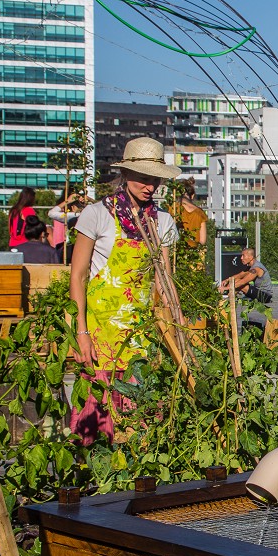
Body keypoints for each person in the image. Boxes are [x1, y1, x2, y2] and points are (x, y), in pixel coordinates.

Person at [68, 138, 180, 443]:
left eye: (154, 179)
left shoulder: (163, 222)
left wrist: (174, 330)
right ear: (126, 174)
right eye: (143, 177)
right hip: (101, 334)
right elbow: (77, 277)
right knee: (96, 420)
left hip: (141, 334)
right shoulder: (97, 215)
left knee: (140, 422)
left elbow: (164, 280)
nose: (149, 186)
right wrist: (81, 333)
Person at [171, 177, 209, 249]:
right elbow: (202, 241)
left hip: (176, 251)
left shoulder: (173, 209)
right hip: (194, 254)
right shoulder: (200, 213)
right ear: (192, 195)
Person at [49, 187, 87, 257]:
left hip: (69, 248)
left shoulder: (71, 216)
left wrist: (67, 201)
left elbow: (51, 213)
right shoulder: (87, 216)